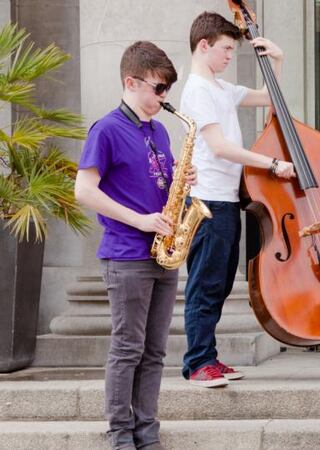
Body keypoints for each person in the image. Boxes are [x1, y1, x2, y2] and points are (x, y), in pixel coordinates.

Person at [75, 41, 191, 450]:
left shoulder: (158, 129)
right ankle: (120, 434)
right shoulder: (106, 129)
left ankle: (147, 431)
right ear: (131, 81)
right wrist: (140, 219)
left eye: (166, 91)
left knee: (155, 352)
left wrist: (182, 182)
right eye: (159, 89)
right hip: (126, 254)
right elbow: (84, 190)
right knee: (127, 349)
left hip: (162, 252)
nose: (164, 98)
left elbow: (161, 182)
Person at [180, 11, 295, 388]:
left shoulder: (220, 87)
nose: (230, 55)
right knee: (205, 283)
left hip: (226, 200)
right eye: (226, 49)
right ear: (204, 45)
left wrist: (276, 60)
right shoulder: (198, 89)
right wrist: (273, 163)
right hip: (208, 200)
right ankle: (198, 363)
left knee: (221, 282)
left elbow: (269, 100)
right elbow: (220, 147)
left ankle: (208, 357)